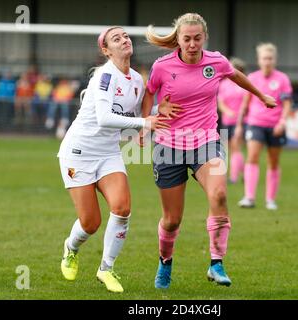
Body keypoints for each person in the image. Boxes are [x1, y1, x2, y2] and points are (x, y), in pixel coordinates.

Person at [141, 13, 276, 289]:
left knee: (220, 193)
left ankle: (216, 263)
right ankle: (165, 263)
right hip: (169, 146)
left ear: (205, 38)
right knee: (171, 220)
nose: (192, 44)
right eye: (187, 39)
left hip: (206, 142)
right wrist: (149, 120)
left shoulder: (216, 61)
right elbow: (148, 93)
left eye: (197, 38)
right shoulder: (162, 66)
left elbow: (236, 75)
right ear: (178, 39)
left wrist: (261, 96)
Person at [57, 26, 174, 293]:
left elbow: (130, 115)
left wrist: (157, 109)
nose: (124, 40)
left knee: (122, 209)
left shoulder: (135, 79)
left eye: (125, 36)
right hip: (79, 152)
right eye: (116, 39)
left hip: (108, 152)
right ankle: (71, 248)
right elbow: (105, 118)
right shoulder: (104, 76)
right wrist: (147, 121)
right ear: (106, 50)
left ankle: (106, 269)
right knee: (91, 223)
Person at [235, 43, 293, 211]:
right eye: (264, 58)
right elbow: (245, 104)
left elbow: (287, 104)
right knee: (252, 156)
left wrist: (282, 122)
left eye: (270, 58)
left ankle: (270, 199)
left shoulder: (282, 79)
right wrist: (239, 125)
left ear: (275, 60)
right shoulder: (252, 78)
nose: (267, 61)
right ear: (258, 60)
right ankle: (249, 197)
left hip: (276, 126)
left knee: (273, 161)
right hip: (255, 123)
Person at [217, 57, 247, 184]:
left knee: (236, 147)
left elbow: (247, 102)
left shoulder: (244, 84)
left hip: (240, 121)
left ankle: (233, 177)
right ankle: (246, 171)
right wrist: (227, 111)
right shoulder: (224, 84)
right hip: (226, 120)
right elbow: (220, 102)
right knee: (230, 149)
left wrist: (239, 114)